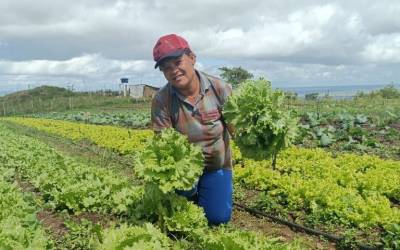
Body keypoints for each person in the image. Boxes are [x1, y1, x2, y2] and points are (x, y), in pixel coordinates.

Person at [151, 34, 233, 225]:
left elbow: (237, 130)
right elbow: (164, 146)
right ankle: (190, 192)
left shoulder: (220, 89)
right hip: (184, 172)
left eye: (178, 62)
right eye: (166, 69)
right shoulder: (162, 100)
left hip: (216, 167)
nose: (174, 71)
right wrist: (181, 172)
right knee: (181, 216)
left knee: (218, 219)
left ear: (192, 58)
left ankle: (208, 193)